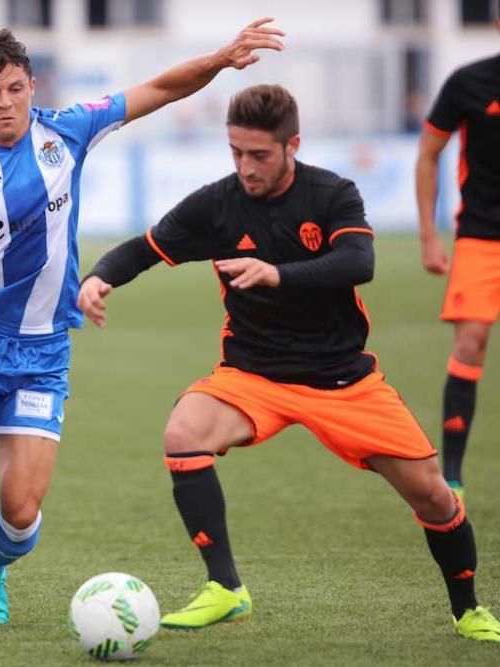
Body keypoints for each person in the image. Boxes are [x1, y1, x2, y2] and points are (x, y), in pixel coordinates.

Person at [0, 22, 284, 625]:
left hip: (43, 354)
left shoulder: (67, 130)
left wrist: (220, 59)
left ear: (32, 84)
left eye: (15, 88)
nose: (5, 102)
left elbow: (159, 89)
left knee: (19, 512)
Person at [78, 84, 499, 642]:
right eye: (236, 153)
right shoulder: (218, 203)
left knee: (434, 495)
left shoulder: (332, 194)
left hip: (344, 379)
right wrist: (99, 277)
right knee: (184, 432)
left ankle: (468, 609)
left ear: (292, 145)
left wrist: (278, 273)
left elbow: (358, 261)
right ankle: (226, 590)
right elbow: (145, 247)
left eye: (259, 155)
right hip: (252, 376)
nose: (246, 168)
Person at [414, 7, 500, 499]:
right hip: (482, 237)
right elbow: (428, 152)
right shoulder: (469, 83)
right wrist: (428, 232)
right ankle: (453, 479)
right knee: (470, 345)